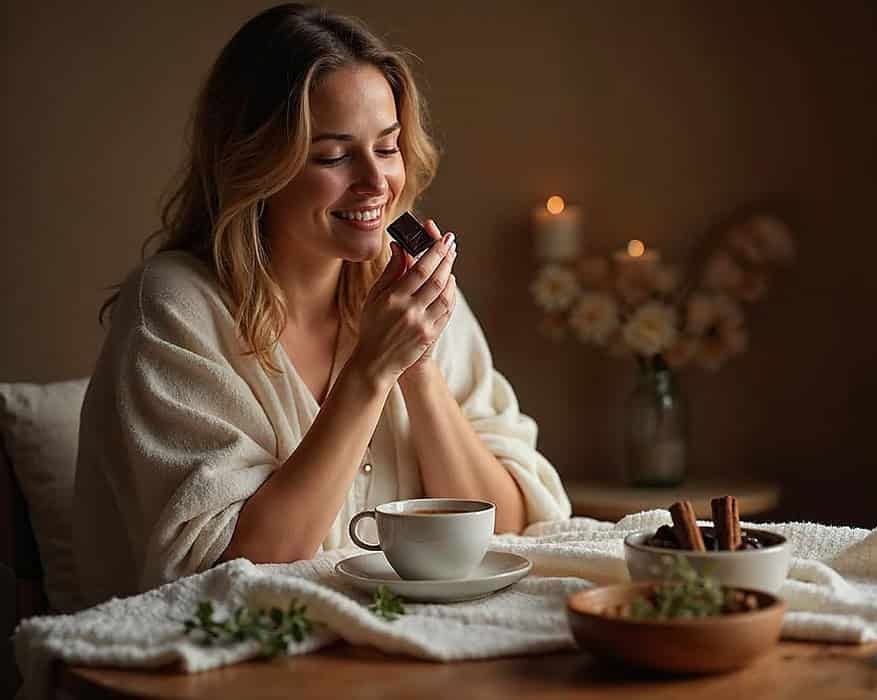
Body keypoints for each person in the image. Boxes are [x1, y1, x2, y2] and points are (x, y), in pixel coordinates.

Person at [73, 3, 571, 609]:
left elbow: (511, 524)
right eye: (333, 156)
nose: (375, 183)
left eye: (387, 148)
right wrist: (369, 372)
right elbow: (220, 575)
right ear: (258, 164)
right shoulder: (175, 306)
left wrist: (416, 366)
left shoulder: (409, 290)